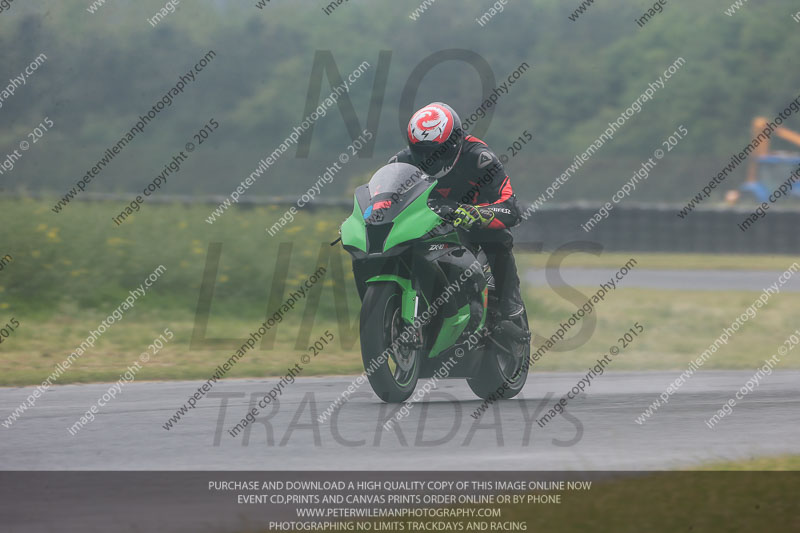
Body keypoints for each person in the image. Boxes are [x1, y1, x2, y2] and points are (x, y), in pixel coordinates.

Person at [389, 102, 525, 323]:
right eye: (422, 152)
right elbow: (384, 199)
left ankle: (511, 305)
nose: (429, 159)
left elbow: (511, 207)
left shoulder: (479, 158)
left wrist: (472, 213)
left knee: (498, 237)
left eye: (437, 152)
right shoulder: (401, 162)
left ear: (455, 142)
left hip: (472, 225)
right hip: (425, 227)